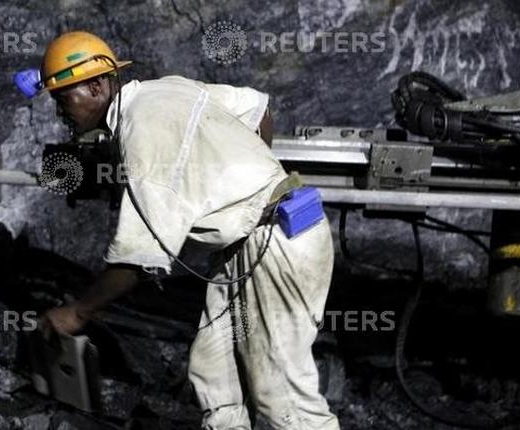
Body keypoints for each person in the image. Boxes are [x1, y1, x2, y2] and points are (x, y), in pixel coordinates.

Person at [38, 31, 340, 430]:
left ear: (96, 86)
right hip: (250, 243)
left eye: (64, 99)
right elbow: (257, 109)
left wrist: (76, 313)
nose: (62, 112)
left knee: (281, 397)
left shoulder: (143, 131)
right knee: (214, 369)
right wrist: (239, 186)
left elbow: (136, 260)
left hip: (276, 243)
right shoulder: (165, 90)